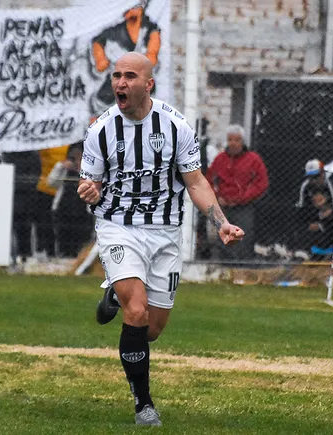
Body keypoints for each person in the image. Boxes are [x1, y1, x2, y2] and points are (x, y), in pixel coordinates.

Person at [78, 52, 244, 426]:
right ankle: (144, 405)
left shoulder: (175, 127)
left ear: (148, 84)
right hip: (117, 226)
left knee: (149, 329)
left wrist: (220, 222)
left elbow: (196, 181)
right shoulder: (100, 130)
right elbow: (90, 182)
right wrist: (88, 190)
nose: (120, 83)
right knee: (137, 309)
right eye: (116, 76)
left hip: (165, 233)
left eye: (130, 76)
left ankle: (114, 296)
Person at [204, 125, 269, 261]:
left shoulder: (253, 159)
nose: (233, 143)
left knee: (243, 239)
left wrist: (243, 198)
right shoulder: (220, 159)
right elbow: (209, 181)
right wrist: (217, 197)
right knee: (222, 239)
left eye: (237, 140)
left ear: (243, 142)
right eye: (230, 140)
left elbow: (261, 183)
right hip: (223, 206)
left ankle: (242, 268)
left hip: (244, 206)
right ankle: (223, 267)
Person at [47, 141, 93, 257]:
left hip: (83, 211)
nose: (77, 160)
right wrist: (60, 167)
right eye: (74, 157)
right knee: (63, 238)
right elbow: (51, 183)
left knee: (82, 239)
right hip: (63, 208)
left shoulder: (92, 169)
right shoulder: (64, 169)